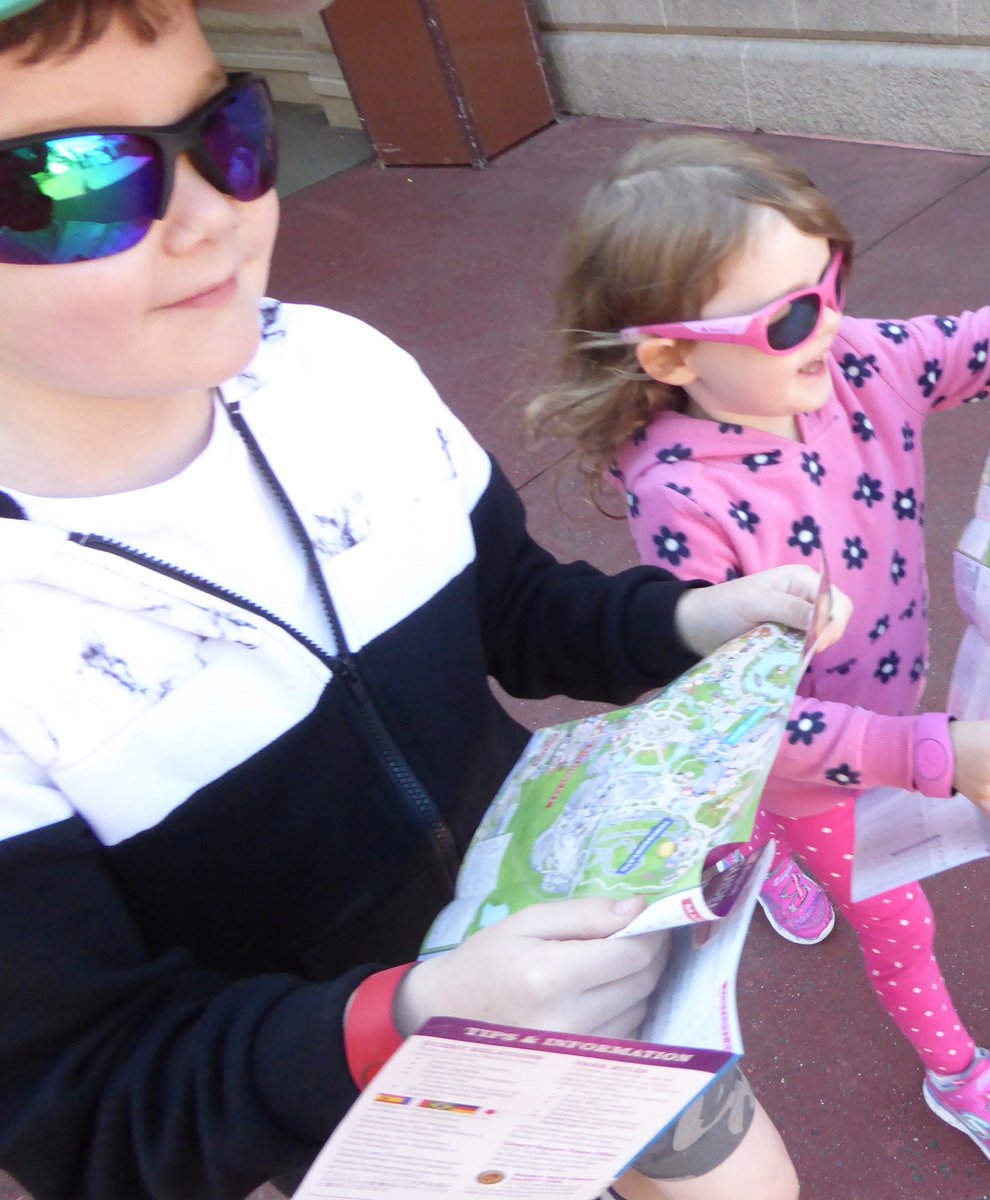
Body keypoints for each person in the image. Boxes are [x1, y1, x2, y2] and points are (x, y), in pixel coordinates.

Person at [0, 7, 847, 1199]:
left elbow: (511, 603)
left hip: (583, 962)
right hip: (347, 1110)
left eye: (226, 132)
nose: (212, 216)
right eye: (75, 180)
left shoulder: (341, 373)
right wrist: (415, 1015)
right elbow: (88, 1099)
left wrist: (683, 624)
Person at [526, 133, 990, 1178]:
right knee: (899, 924)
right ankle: (955, 1071)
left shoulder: (856, 361)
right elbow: (744, 717)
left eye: (833, 278)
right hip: (813, 756)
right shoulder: (684, 497)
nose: (828, 319)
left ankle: (770, 851)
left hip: (870, 708)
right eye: (788, 315)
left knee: (777, 823)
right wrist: (932, 755)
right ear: (674, 359)